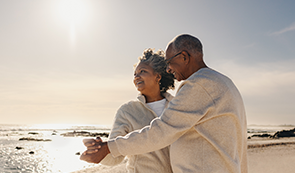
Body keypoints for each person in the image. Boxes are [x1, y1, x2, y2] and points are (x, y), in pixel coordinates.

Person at [81, 34, 248, 173]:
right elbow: (240, 144)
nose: (168, 69)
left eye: (169, 63)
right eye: (135, 73)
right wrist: (104, 148)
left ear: (184, 57)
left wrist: (110, 147)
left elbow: (162, 131)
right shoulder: (226, 84)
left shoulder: (198, 86)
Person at [81, 48, 175, 173]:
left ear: (158, 76)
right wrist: (100, 148)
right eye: (135, 74)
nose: (137, 77)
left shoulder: (177, 106)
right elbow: (115, 158)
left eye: (143, 71)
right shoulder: (127, 111)